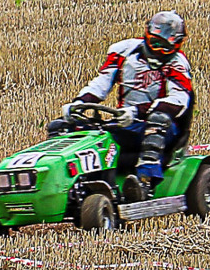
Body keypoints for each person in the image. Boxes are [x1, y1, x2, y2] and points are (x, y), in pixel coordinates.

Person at [57, 10, 194, 196]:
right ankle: (66, 183)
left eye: (165, 47)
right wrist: (79, 103)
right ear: (147, 35)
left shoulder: (177, 64)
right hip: (124, 121)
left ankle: (145, 182)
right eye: (155, 43)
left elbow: (179, 100)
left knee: (158, 120)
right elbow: (102, 83)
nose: (158, 51)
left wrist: (137, 112)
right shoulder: (124, 51)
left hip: (160, 126)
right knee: (63, 126)